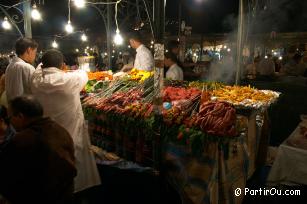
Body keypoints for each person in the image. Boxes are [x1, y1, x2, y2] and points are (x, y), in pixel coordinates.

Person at [31, 49, 101, 193]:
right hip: (70, 131)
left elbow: (38, 69)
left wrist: (47, 66)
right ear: (63, 65)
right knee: (74, 162)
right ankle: (76, 191)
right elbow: (83, 73)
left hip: (49, 133)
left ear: (43, 66)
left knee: (53, 166)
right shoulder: (70, 79)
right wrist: (67, 71)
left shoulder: (36, 80)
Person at [0, 96, 76, 204]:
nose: (9, 122)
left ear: (20, 116)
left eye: (9, 118)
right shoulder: (60, 130)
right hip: (65, 196)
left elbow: (9, 177)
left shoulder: (23, 139)